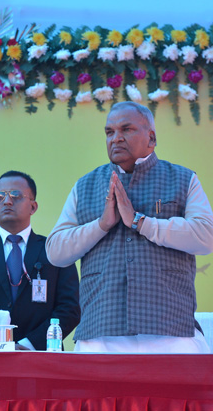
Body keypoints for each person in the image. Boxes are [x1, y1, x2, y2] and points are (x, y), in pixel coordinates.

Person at [46, 101, 213, 353]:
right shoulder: (85, 186)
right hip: (101, 332)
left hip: (170, 331)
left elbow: (206, 236)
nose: (116, 139)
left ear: (152, 137)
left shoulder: (182, 179)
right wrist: (101, 225)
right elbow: (56, 252)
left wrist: (141, 222)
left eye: (126, 129)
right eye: (109, 132)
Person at [0, 171, 80, 350]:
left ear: (33, 207)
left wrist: (28, 344)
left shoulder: (54, 249)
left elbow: (70, 309)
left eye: (15, 195)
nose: (7, 201)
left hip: (42, 355)